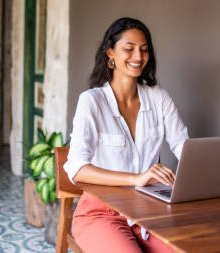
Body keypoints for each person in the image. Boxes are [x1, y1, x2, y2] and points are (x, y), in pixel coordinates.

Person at [64, 17, 189, 253]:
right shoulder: (92, 102)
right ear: (110, 53)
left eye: (144, 50)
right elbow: (77, 168)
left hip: (149, 212)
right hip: (100, 214)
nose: (138, 57)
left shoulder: (158, 97)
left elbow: (183, 145)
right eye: (129, 49)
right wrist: (137, 178)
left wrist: (205, 174)